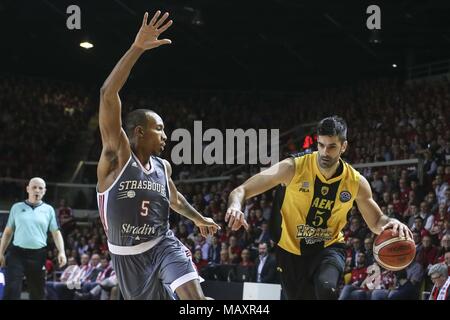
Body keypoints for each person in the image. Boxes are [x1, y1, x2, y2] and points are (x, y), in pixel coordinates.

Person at [96, 10, 219, 300]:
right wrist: (137, 48)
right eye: (159, 129)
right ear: (139, 131)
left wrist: (199, 218)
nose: (165, 135)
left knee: (195, 301)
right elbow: (107, 94)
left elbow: (174, 200)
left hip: (163, 244)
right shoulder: (116, 156)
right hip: (127, 257)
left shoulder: (163, 167)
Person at [226, 116, 413, 299]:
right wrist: (235, 205)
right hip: (290, 251)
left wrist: (391, 222)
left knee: (326, 289)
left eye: (332, 146)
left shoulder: (355, 182)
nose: (325, 152)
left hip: (328, 247)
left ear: (343, 146)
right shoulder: (292, 168)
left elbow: (377, 221)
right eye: (321, 145)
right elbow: (242, 190)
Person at [0, 177, 67, 300]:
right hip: (16, 254)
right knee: (12, 289)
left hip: (38, 255)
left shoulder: (49, 210)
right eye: (34, 187)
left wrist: (62, 252)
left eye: (40, 188)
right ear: (28, 189)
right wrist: (1, 252)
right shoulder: (17, 207)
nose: (37, 190)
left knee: (38, 293)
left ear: (44, 191)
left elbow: (56, 233)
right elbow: (8, 232)